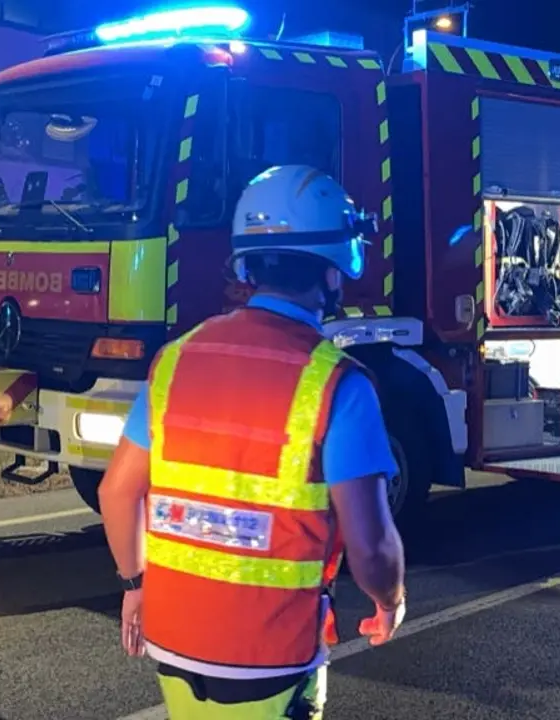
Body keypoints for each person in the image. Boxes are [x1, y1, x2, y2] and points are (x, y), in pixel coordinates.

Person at [99, 165, 408, 719]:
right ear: (333, 268)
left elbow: (117, 493)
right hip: (273, 655)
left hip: (172, 643)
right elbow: (372, 548)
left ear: (247, 261)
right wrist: (390, 600)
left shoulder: (175, 360)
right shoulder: (338, 384)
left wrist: (135, 585)